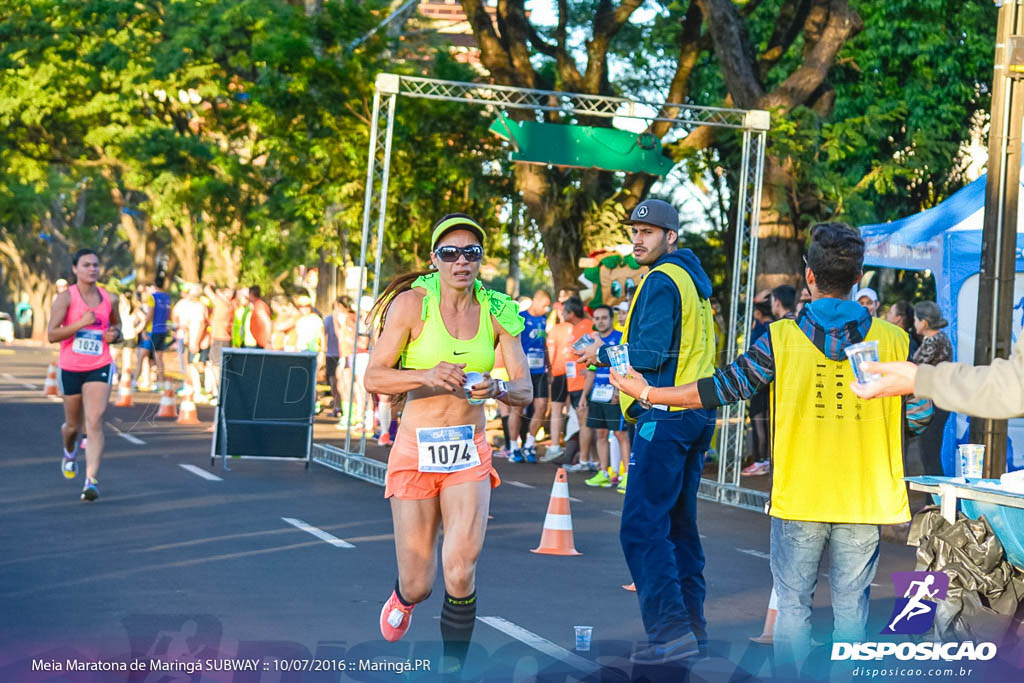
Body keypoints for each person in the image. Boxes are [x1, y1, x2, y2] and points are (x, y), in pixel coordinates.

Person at [610, 222, 921, 670]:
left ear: (809, 277)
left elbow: (721, 388)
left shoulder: (778, 339)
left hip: (800, 495)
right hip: (866, 497)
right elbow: (919, 415)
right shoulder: (894, 340)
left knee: (793, 608)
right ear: (859, 279)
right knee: (853, 614)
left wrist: (650, 394)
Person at [363, 214, 531, 674]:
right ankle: (404, 595)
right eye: (451, 253)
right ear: (434, 260)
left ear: (480, 260)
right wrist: (426, 373)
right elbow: (373, 376)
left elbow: (524, 391)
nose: (462, 261)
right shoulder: (411, 306)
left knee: (460, 568)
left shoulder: (499, 310)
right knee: (420, 583)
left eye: (471, 253)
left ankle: (453, 668)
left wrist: (495, 389)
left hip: (467, 451)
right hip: (417, 450)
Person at [577, 198, 717, 664]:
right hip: (693, 411)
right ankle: (692, 632)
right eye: (635, 231)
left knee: (640, 528)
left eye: (649, 232)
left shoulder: (660, 280)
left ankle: (671, 634)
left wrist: (602, 352)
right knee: (679, 529)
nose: (638, 238)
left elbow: (652, 353)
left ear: (670, 237)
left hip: (665, 410)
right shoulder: (692, 280)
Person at [47, 249, 123, 502]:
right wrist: (80, 324)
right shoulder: (65, 298)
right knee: (72, 426)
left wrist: (115, 335)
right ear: (75, 269)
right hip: (70, 367)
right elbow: (52, 335)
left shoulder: (109, 298)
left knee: (95, 419)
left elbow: (118, 327)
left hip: (99, 364)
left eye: (95, 265)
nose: (92, 269)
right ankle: (69, 451)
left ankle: (91, 480)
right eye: (86, 265)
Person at [851, 334, 1024, 419]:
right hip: (945, 399)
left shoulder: (929, 341)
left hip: (940, 400)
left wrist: (921, 379)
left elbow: (1016, 385)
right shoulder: (941, 338)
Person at [581, 305, 629, 488]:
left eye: (604, 318)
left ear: (611, 319)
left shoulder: (619, 338)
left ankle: (626, 475)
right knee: (600, 434)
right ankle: (604, 472)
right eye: (597, 318)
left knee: (620, 433)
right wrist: (585, 396)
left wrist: (619, 390)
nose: (600, 321)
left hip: (614, 394)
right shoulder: (592, 341)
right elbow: (591, 371)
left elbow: (624, 367)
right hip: (597, 394)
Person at [910, 301, 952, 475]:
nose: (914, 324)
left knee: (929, 453)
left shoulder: (933, 342)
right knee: (930, 453)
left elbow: (915, 369)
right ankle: (932, 499)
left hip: (934, 405)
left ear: (924, 323)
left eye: (915, 320)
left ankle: (934, 499)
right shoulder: (941, 338)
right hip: (940, 403)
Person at [509, 289, 551, 463]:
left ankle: (529, 444)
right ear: (535, 300)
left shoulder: (543, 320)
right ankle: (513, 447)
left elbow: (544, 343)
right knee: (518, 408)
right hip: (522, 369)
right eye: (545, 305)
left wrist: (549, 365)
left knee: (541, 406)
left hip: (540, 370)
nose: (546, 309)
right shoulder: (520, 317)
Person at [132, 279, 172, 390]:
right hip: (162, 330)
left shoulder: (152, 297)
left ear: (154, 285)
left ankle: (134, 382)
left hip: (152, 331)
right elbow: (169, 315)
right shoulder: (167, 298)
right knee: (159, 358)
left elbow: (150, 314)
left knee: (141, 356)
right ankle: (160, 383)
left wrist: (143, 328)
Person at [205, 284, 236, 403]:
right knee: (215, 366)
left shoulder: (223, 303)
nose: (230, 294)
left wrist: (216, 289)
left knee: (217, 366)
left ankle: (219, 393)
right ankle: (217, 392)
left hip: (220, 338)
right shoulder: (228, 303)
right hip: (221, 338)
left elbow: (208, 291)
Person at [247, 285, 272, 349]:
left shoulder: (259, 306)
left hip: (264, 343)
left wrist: (268, 341)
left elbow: (267, 323)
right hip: (261, 342)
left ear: (251, 294)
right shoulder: (257, 305)